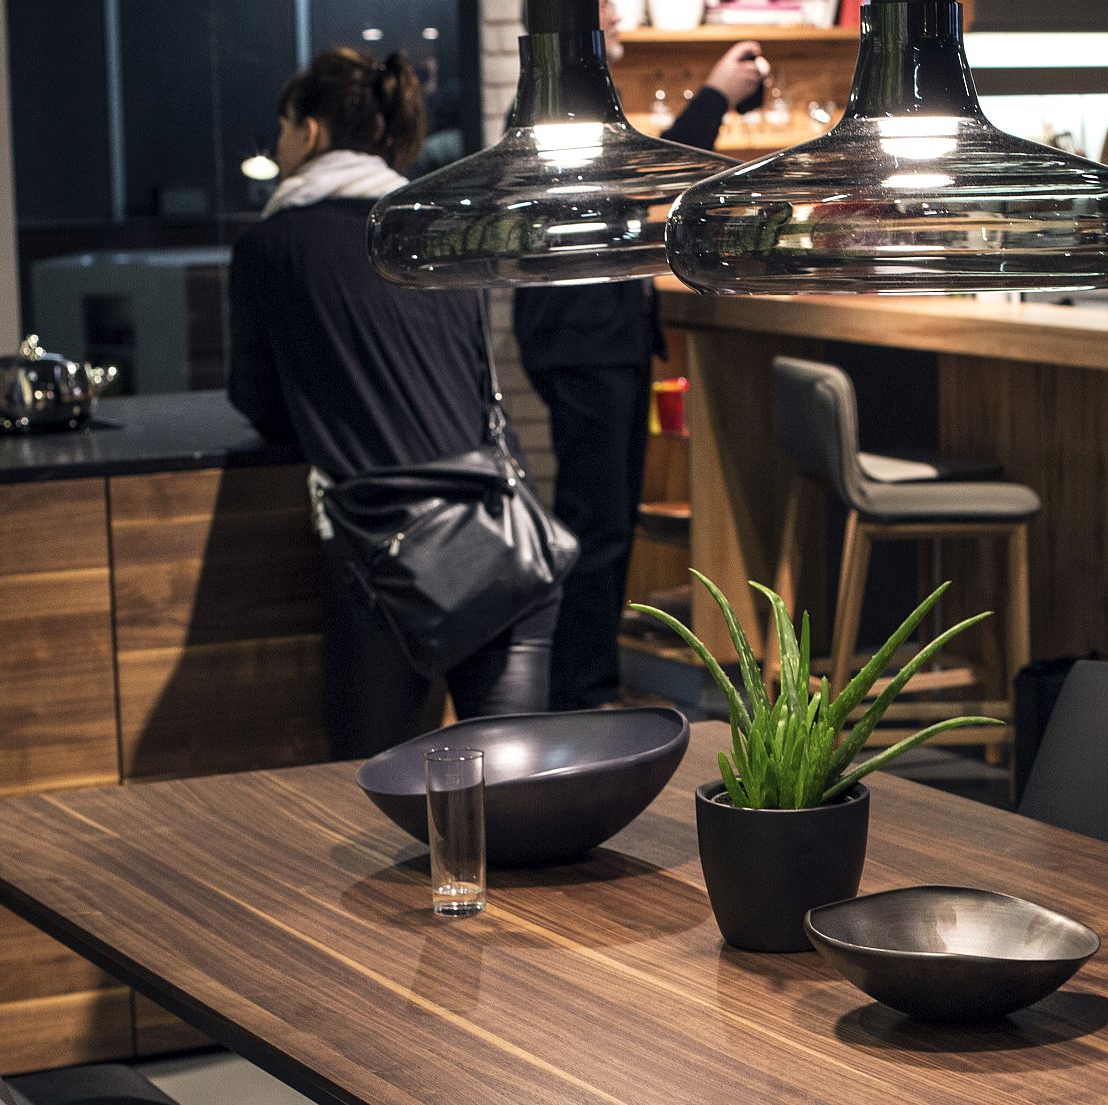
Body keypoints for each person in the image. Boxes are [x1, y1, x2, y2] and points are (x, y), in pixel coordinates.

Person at [230, 48, 561, 760]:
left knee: (377, 799)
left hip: (390, 556)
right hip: (506, 544)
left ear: (311, 132)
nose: (280, 144)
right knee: (513, 798)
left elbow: (257, 400)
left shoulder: (271, 247)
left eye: (285, 127)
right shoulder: (434, 232)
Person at [515, 10, 768, 710]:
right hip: (587, 337)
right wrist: (715, 93)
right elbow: (646, 182)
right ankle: (580, 694)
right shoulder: (566, 97)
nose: (619, 13)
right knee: (597, 522)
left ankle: (583, 687)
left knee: (603, 517)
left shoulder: (568, 92)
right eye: (605, 3)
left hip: (589, 335)